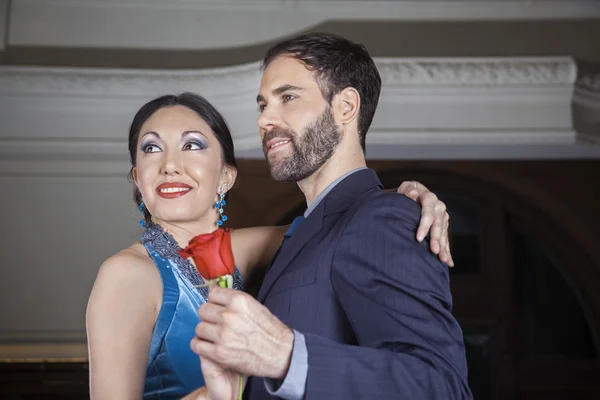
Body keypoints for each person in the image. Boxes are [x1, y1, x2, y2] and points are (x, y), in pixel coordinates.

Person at [86, 92, 453, 399]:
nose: (169, 165)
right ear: (138, 177)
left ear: (226, 177)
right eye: (151, 149)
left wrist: (410, 197)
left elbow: (337, 217)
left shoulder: (248, 250)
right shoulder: (125, 275)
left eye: (191, 145)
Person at [190, 33, 472, 399]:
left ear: (346, 106)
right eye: (262, 105)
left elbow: (440, 386)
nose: (264, 119)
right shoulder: (301, 234)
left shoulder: (384, 218)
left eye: (287, 97)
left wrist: (287, 356)